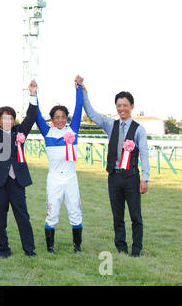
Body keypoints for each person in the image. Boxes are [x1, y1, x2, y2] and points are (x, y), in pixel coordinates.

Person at [79, 76, 150, 257]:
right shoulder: (111, 124)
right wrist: (83, 92)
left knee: (135, 216)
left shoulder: (139, 129)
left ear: (131, 107)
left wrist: (145, 178)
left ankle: (136, 249)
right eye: (119, 105)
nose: (121, 108)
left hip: (132, 176)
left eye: (125, 105)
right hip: (114, 177)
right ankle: (121, 248)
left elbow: (144, 154)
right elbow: (92, 113)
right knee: (117, 216)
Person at [0, 80, 38, 258]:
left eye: (10, 117)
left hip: (17, 181)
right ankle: (3, 249)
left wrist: (33, 94)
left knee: (23, 217)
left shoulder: (20, 131)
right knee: (0, 218)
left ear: (13, 119)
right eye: (4, 118)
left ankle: (29, 249)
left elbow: (31, 118)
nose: (8, 120)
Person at [35, 76, 84, 254]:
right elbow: (36, 114)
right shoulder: (47, 132)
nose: (61, 120)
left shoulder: (74, 129)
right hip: (54, 179)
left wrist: (78, 87)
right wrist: (34, 95)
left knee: (75, 213)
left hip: (71, 178)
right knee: (52, 214)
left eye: (63, 117)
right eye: (57, 117)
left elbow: (79, 107)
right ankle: (50, 248)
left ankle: (77, 247)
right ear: (52, 119)